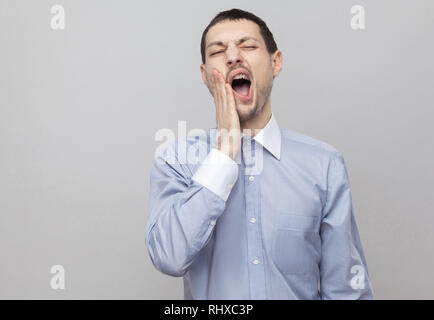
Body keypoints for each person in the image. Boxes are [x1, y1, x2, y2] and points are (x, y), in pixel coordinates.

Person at [145, 8, 374, 299]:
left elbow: (346, 290)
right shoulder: (176, 161)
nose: (232, 56)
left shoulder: (324, 165)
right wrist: (225, 153)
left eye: (248, 46)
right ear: (205, 76)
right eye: (218, 51)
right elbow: (169, 256)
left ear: (275, 62)